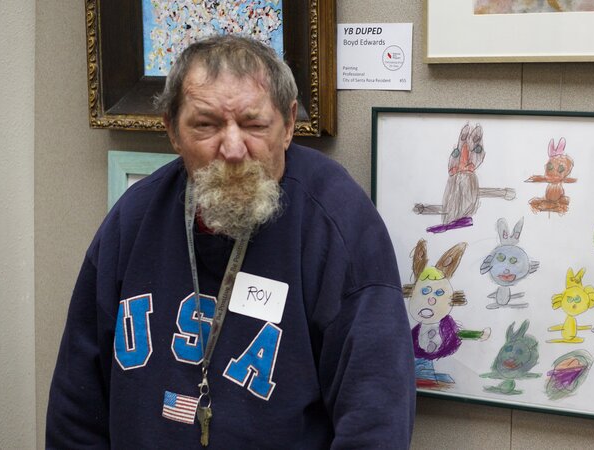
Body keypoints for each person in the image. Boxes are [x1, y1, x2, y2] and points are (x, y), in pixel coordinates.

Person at [46, 35, 415, 448]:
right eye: (206, 125)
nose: (233, 148)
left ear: (290, 124)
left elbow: (375, 419)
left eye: (254, 124)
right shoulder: (133, 218)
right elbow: (76, 406)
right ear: (171, 129)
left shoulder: (338, 224)